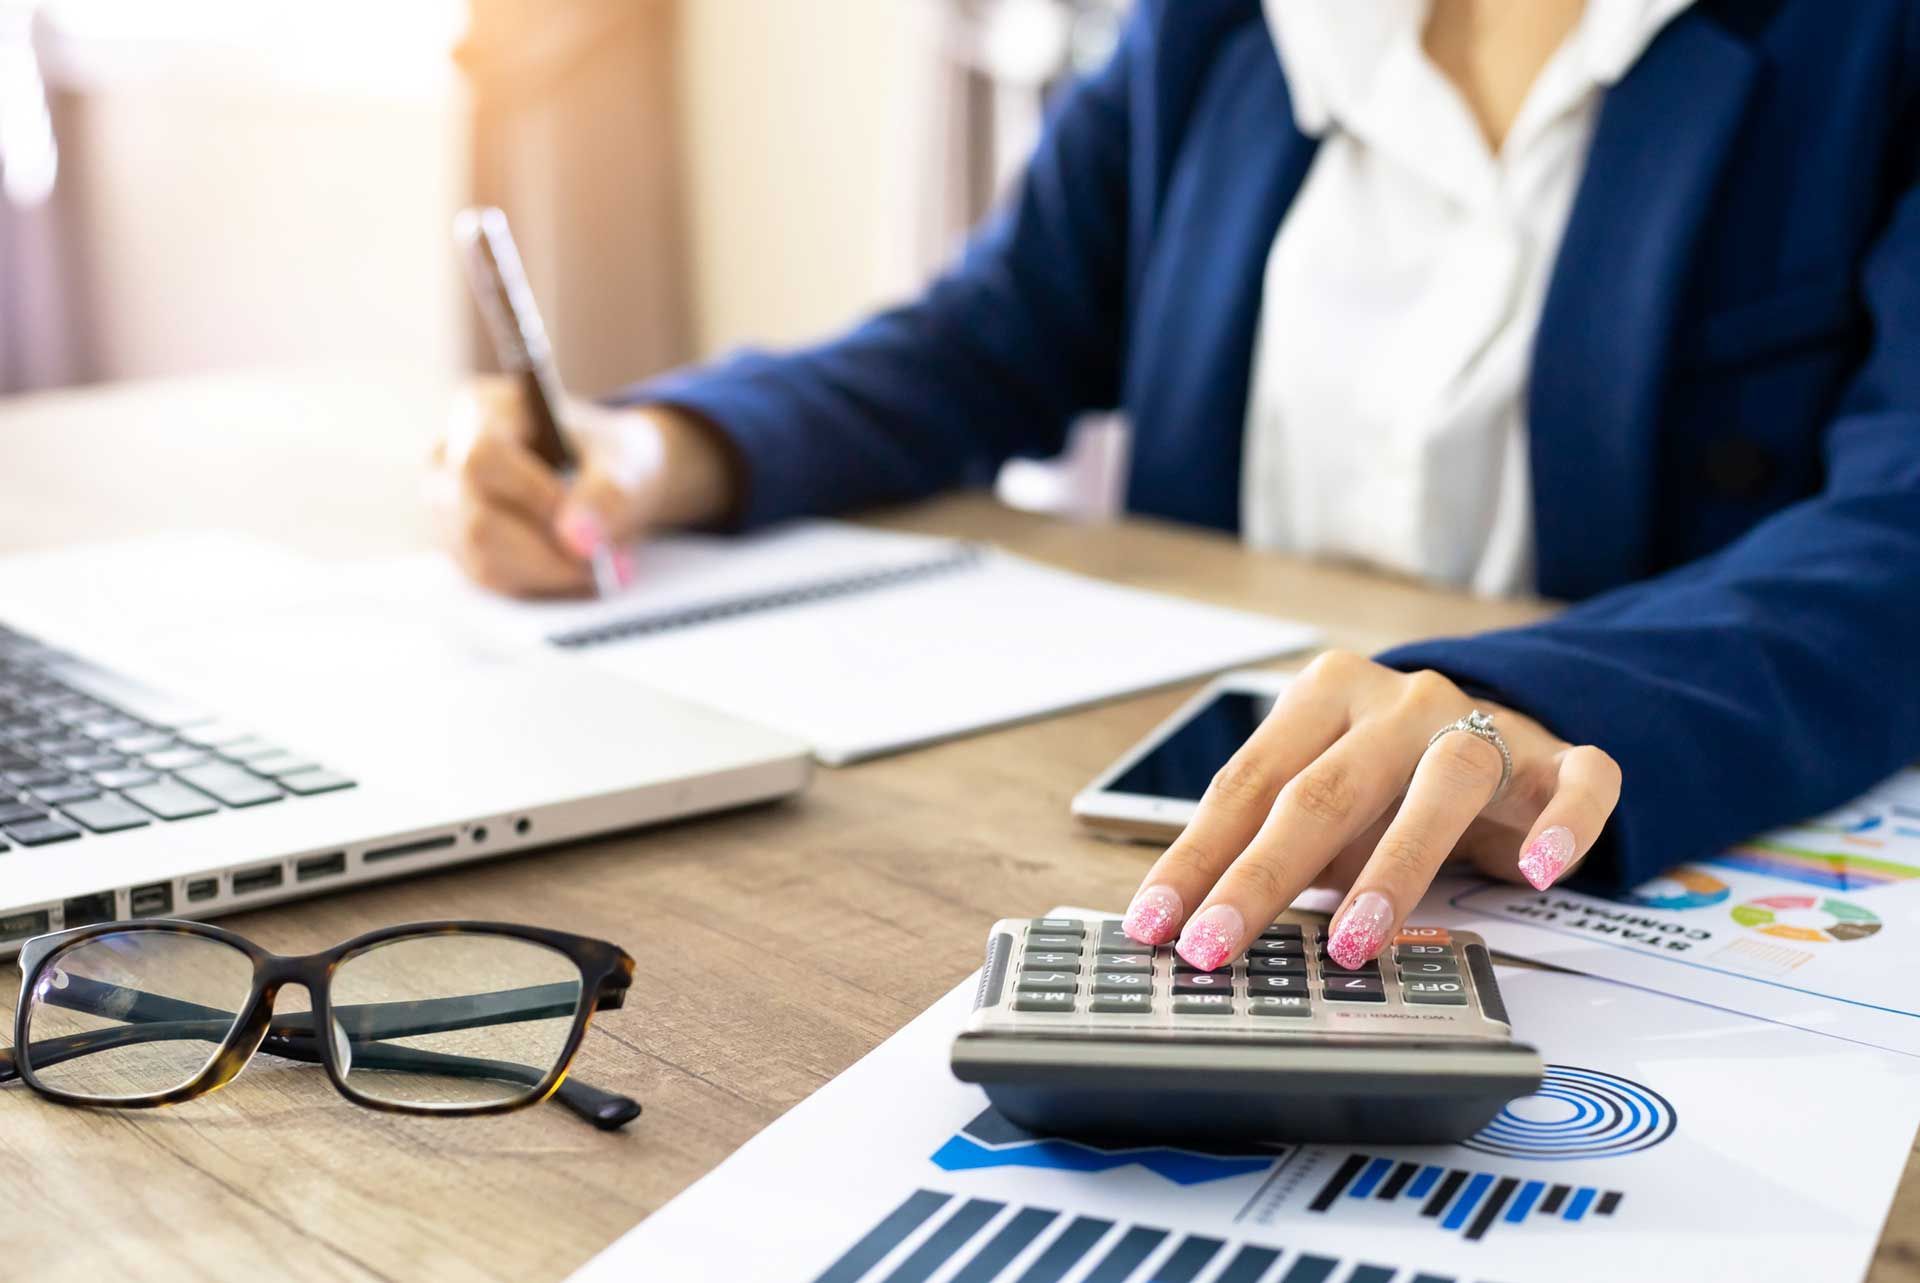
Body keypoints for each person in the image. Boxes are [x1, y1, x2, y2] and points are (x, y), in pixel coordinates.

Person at [429, 0, 1920, 973]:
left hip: (1575, 885)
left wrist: (1532, 693)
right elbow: (986, 338)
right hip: (1190, 825)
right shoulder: (1219, 28)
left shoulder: (1866, 45)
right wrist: (660, 447)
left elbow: (1902, 517)